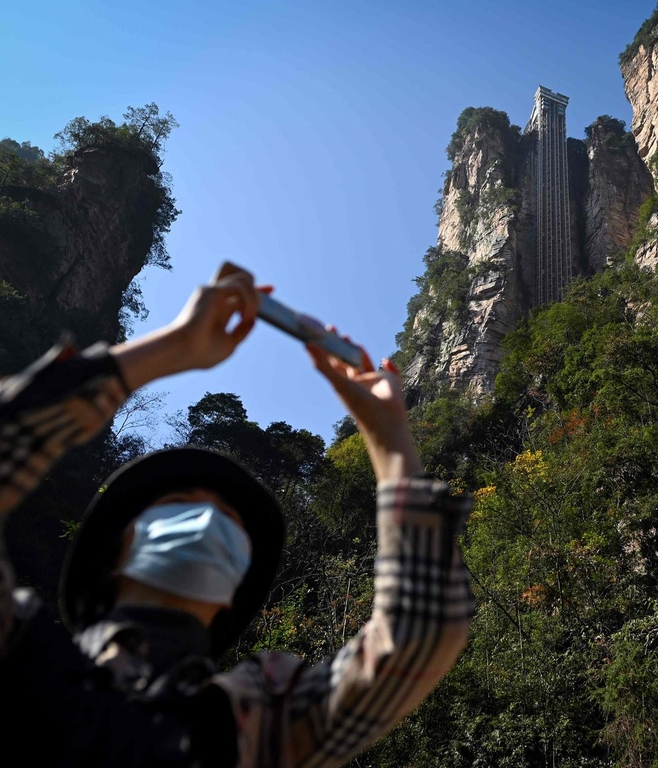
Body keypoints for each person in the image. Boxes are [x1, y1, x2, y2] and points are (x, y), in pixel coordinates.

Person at [0, 265, 472, 766]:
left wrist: (390, 437)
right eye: (180, 503)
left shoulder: (264, 721)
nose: (206, 520)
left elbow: (419, 632)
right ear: (116, 550)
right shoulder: (18, 646)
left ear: (235, 587)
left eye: (229, 522)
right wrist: (169, 349)